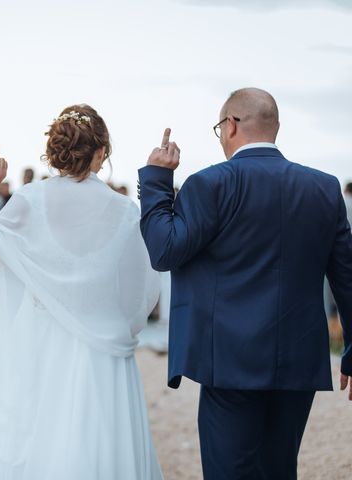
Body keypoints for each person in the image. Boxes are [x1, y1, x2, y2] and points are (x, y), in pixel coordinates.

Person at [138, 88, 352, 479]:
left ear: (230, 125)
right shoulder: (324, 187)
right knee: (279, 469)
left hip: (230, 360)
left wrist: (156, 179)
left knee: (228, 471)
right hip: (299, 358)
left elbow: (164, 251)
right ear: (275, 128)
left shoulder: (209, 184)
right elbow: (347, 276)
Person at [0, 105, 163, 479]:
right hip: (103, 346)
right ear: (102, 152)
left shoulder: (29, 201)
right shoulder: (125, 211)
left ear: (56, 150)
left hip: (39, 341)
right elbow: (143, 289)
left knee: (36, 435)